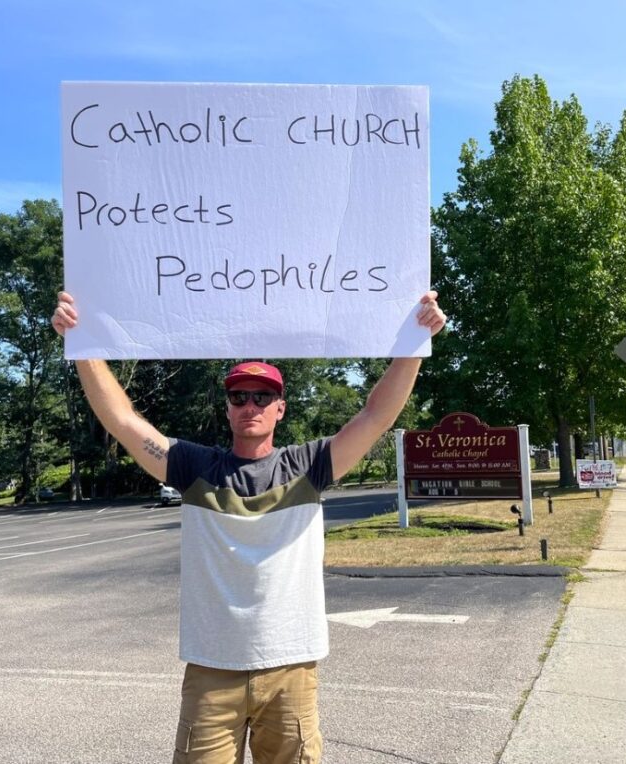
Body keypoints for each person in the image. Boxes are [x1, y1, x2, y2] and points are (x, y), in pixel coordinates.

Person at [51, 290, 446, 764]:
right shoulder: (192, 467)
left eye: (264, 396)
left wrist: (415, 343)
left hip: (291, 668)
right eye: (239, 396)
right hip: (212, 669)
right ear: (227, 407)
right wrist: (83, 343)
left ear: (280, 407)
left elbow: (375, 415)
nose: (251, 404)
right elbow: (122, 419)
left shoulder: (310, 466)